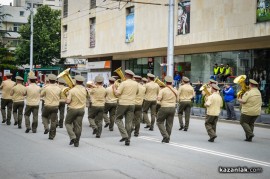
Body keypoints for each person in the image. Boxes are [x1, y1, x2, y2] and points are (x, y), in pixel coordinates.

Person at [115, 69, 138, 146]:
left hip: (123, 103)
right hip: (132, 104)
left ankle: (124, 135)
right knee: (129, 122)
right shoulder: (136, 83)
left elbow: (118, 93)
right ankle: (128, 140)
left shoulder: (123, 83)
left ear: (126, 75)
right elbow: (137, 92)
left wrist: (114, 89)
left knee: (118, 119)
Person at [65, 75, 88, 147]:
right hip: (81, 110)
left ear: (75, 81)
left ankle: (72, 137)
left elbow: (68, 101)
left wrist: (65, 99)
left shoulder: (72, 90)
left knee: (67, 123)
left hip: (72, 109)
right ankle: (77, 142)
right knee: (78, 126)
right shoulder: (85, 90)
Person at [156, 76, 178, 143]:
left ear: (165, 82)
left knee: (159, 122)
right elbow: (178, 100)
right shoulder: (176, 90)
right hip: (173, 108)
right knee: (169, 124)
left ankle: (165, 136)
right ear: (171, 82)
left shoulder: (162, 90)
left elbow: (159, 99)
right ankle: (167, 138)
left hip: (164, 107)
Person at [41, 74, 61, 140]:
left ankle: (46, 127)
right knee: (53, 121)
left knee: (44, 116)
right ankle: (52, 136)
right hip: (55, 106)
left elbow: (41, 95)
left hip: (47, 105)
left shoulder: (46, 88)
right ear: (55, 81)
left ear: (49, 80)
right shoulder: (59, 88)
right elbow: (61, 96)